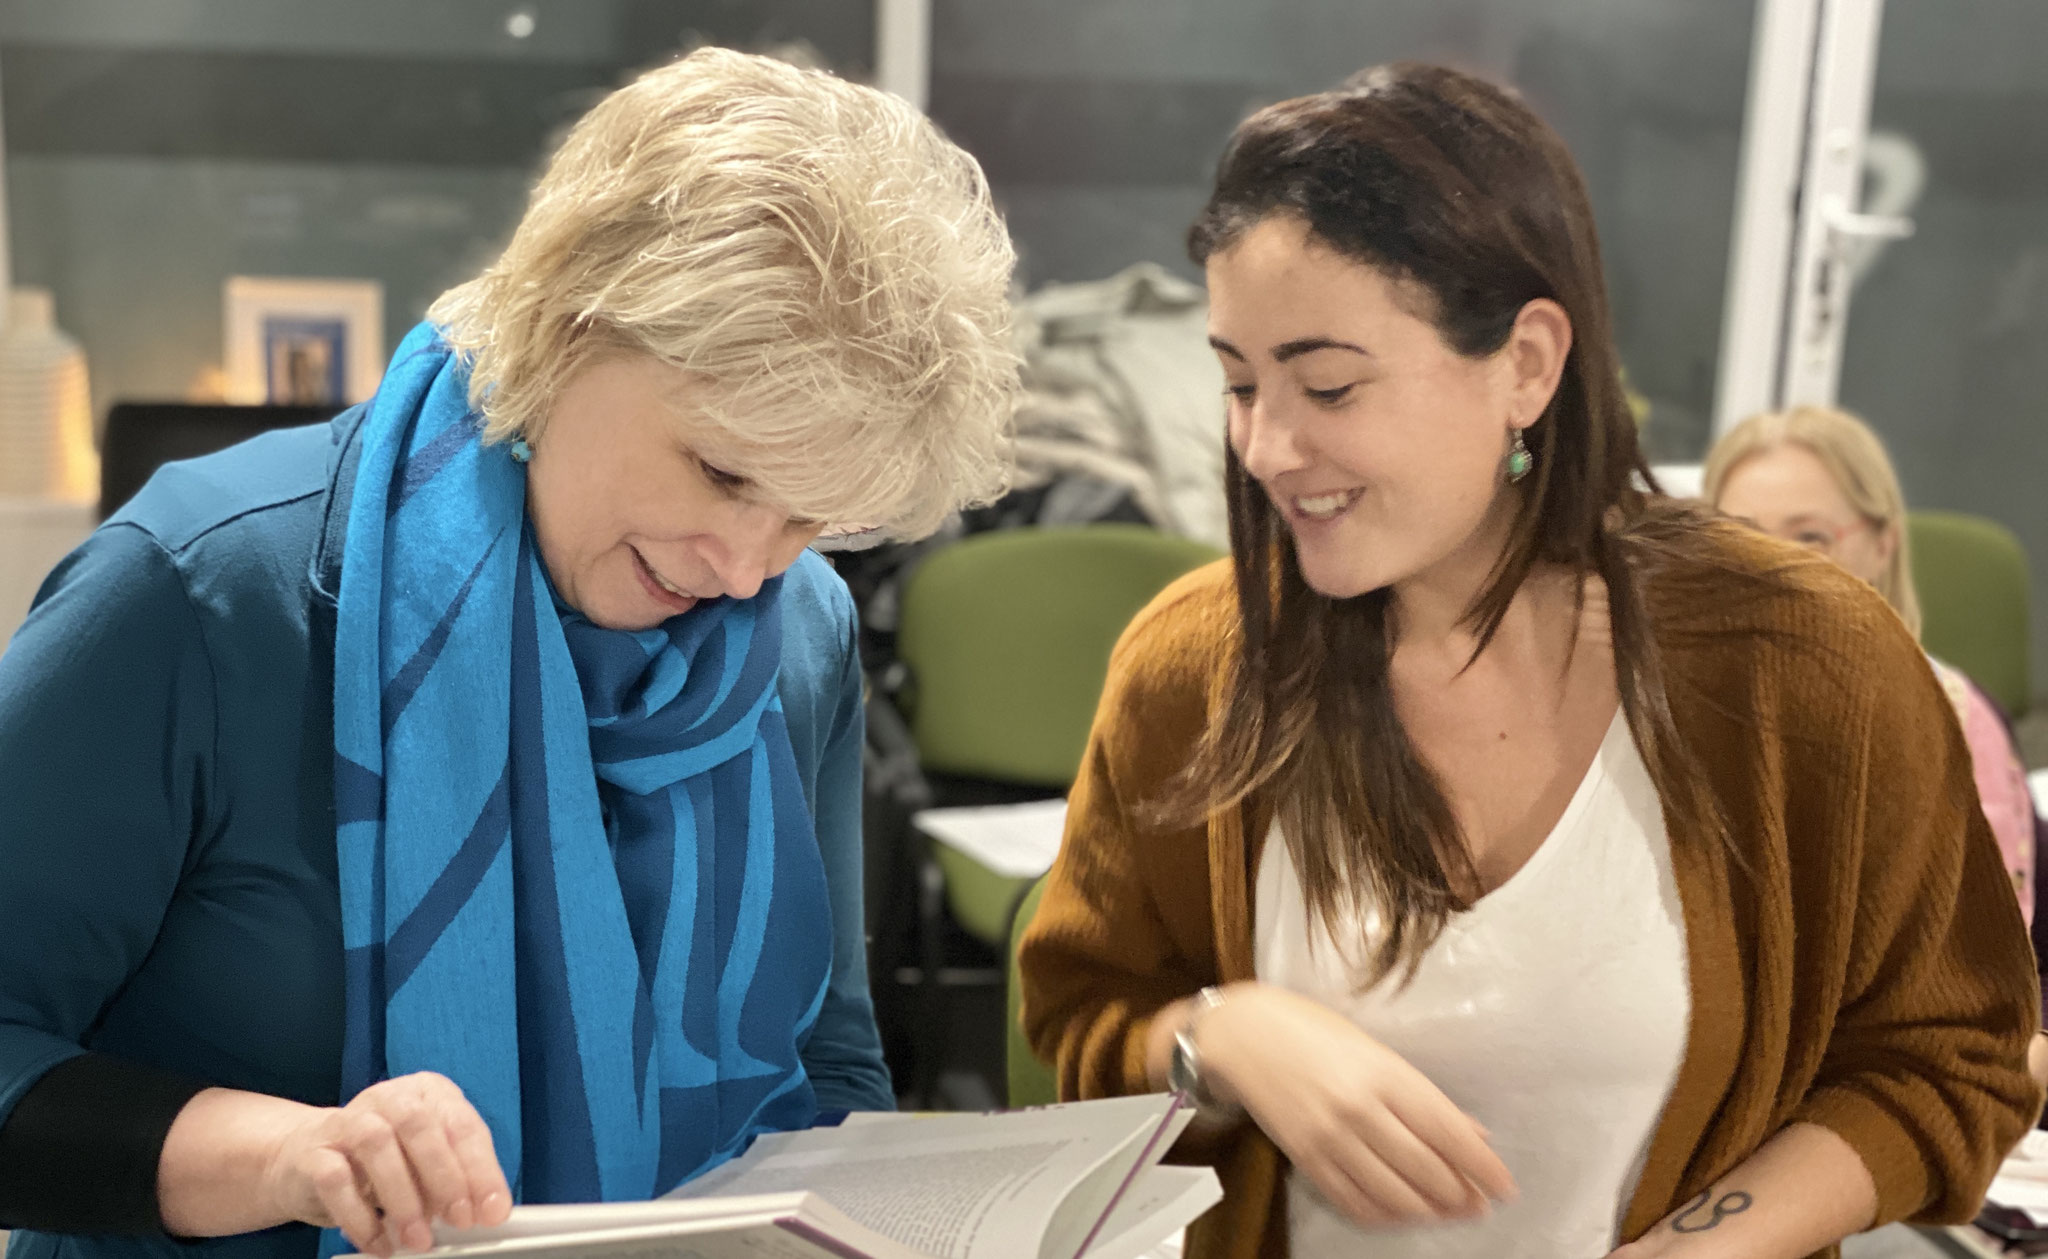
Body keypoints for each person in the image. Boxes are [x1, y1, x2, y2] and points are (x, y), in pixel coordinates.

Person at [0, 47, 1016, 1259]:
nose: (747, 569)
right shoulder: (198, 590)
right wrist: (289, 1156)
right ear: (568, 326)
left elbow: (827, 1057)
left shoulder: (797, 633)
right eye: (722, 471)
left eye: (810, 517)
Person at [1018, 61, 2040, 1259]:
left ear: (1526, 363)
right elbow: (1085, 1019)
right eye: (1239, 383)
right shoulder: (1194, 667)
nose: (1266, 446)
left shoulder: (1804, 662)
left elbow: (1942, 1055)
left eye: (1327, 384)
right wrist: (1223, 1037)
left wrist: (1698, 1246)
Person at [1705, 405, 2048, 1085]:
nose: (1771, 566)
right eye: (1739, 535)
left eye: (1810, 536)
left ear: (1884, 543)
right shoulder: (1661, 716)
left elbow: (1994, 976)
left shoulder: (1954, 720)